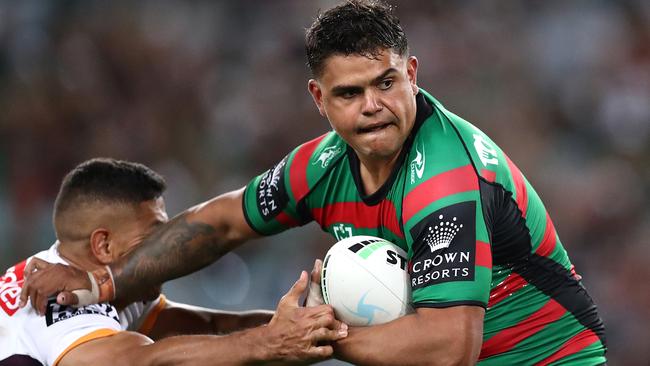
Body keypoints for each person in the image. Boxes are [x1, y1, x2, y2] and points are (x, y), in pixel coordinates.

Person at [20, 1, 607, 365]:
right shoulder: (320, 167)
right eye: (350, 93)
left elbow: (447, 345)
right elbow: (222, 223)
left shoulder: (443, 182)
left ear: (413, 74)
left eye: (386, 83)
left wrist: (309, 337)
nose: (374, 106)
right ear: (318, 99)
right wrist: (103, 283)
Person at [1, 158, 346, 366]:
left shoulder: (97, 285)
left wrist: (312, 326)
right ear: (103, 245)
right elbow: (147, 362)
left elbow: (206, 330)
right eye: (154, 235)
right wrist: (270, 343)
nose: (164, 248)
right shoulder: (58, 306)